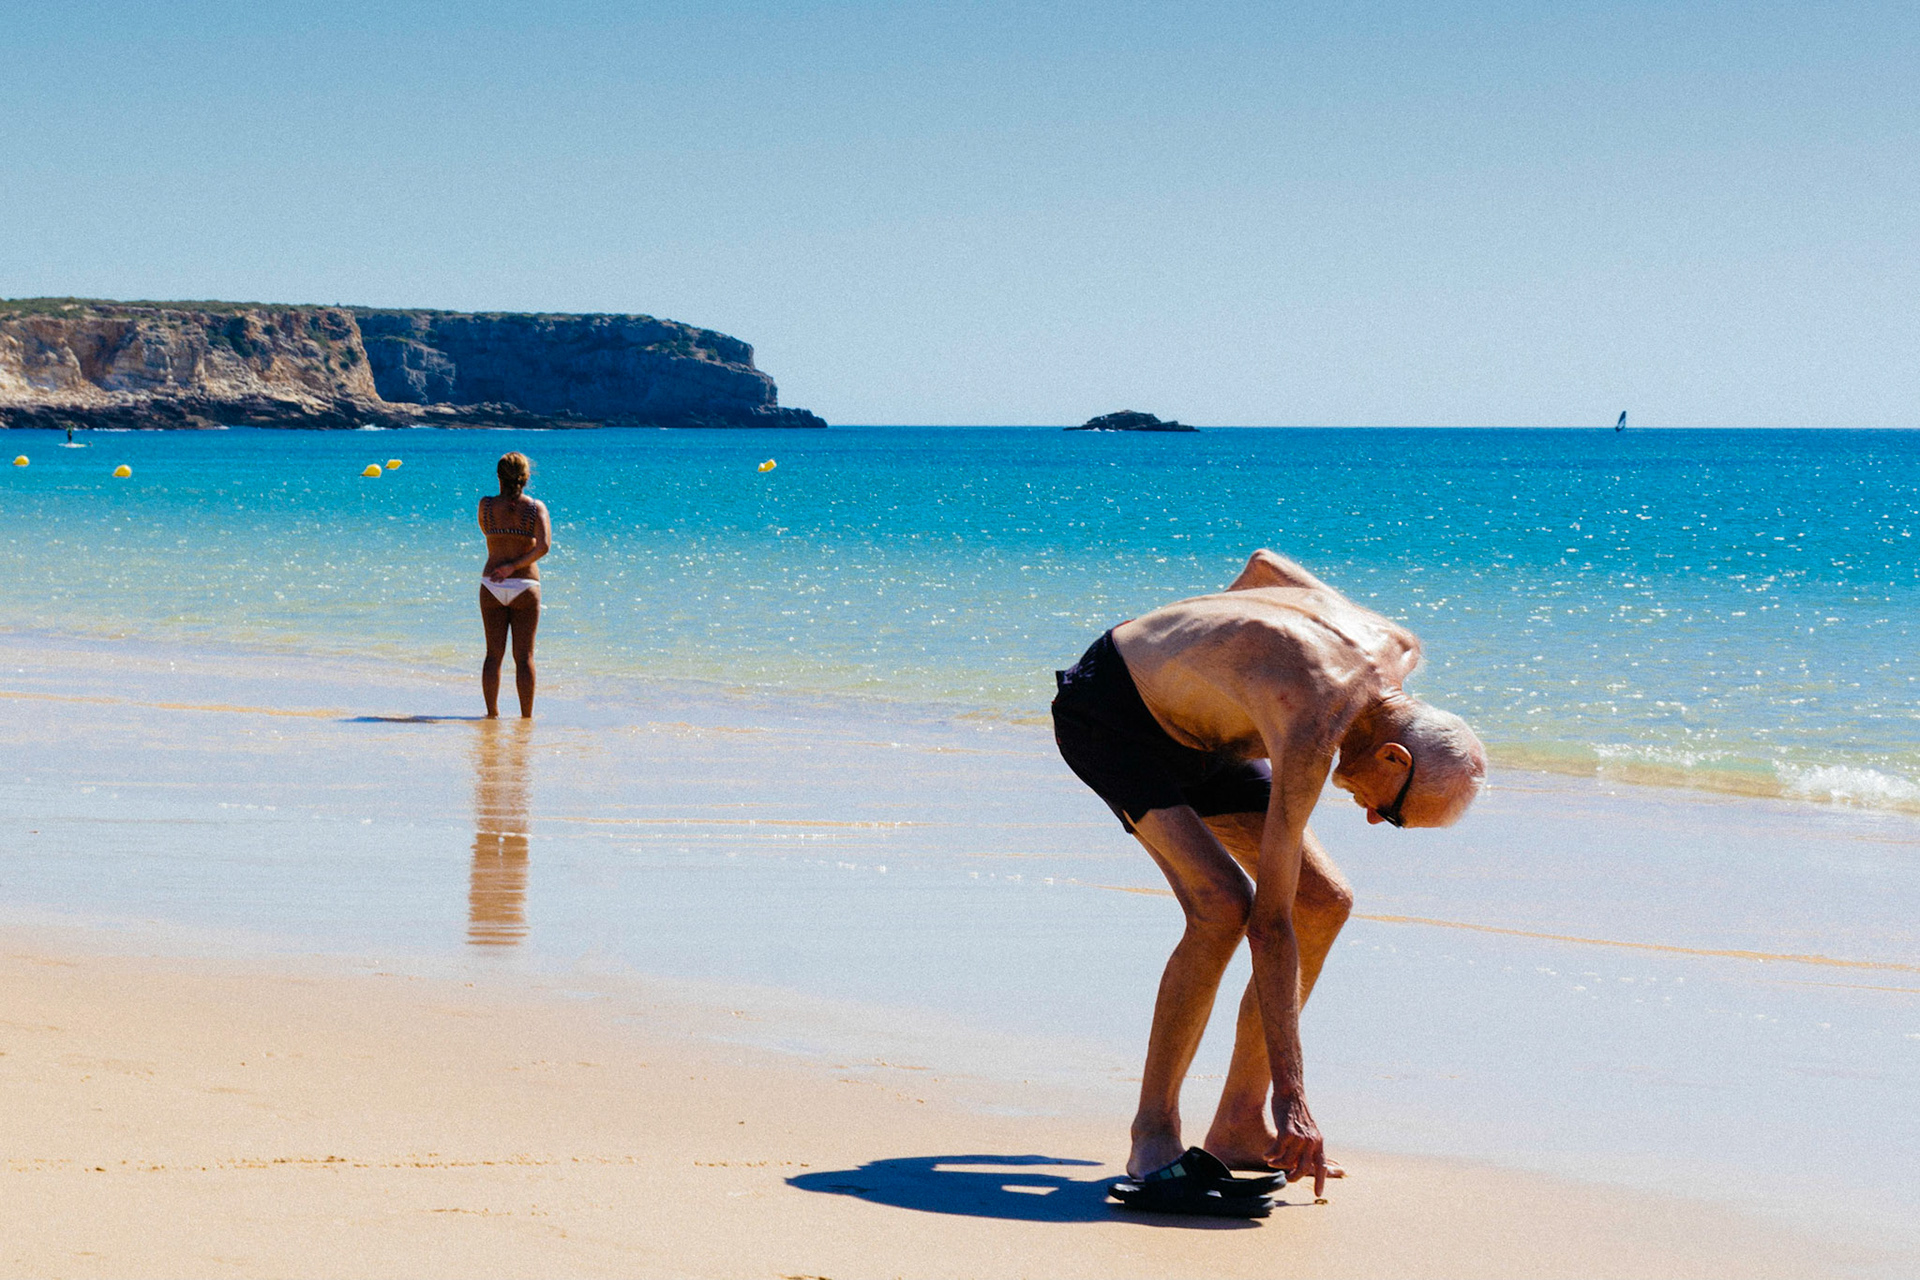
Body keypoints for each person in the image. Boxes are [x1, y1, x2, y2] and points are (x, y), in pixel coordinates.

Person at [1052, 549, 1485, 1215]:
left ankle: (1239, 1127)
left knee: (1326, 899)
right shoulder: (1312, 723)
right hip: (1113, 716)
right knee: (1222, 905)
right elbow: (1269, 925)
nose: (1371, 818)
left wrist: (1208, 649)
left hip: (1213, 736)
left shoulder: (1398, 647)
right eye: (1391, 812)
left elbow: (1263, 568)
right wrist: (1298, 1096)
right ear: (1393, 757)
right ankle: (1153, 1139)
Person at [478, 451, 552, 718]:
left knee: (492, 656)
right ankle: (526, 718)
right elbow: (543, 546)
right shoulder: (535, 508)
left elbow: (487, 532)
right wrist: (515, 565)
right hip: (525, 583)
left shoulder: (485, 506)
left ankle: (492, 715)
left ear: (498, 476)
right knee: (524, 658)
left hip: (491, 583)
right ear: (526, 476)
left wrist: (505, 564)